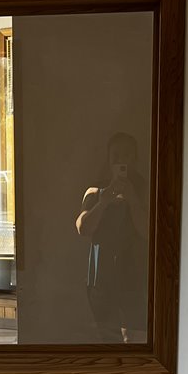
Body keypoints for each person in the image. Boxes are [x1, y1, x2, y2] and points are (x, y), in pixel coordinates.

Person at [75, 133, 145, 341]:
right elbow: (82, 228)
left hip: (135, 274)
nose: (121, 160)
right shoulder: (95, 191)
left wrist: (132, 199)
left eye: (127, 155)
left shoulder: (144, 189)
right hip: (101, 276)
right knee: (106, 336)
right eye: (116, 155)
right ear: (108, 159)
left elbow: (149, 231)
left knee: (134, 337)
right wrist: (103, 202)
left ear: (134, 159)